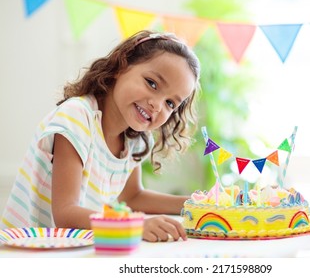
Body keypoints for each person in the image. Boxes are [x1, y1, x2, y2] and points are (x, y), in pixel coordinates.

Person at [0, 30, 201, 242]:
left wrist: (194, 205)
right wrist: (135, 225)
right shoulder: (77, 116)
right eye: (152, 83)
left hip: (73, 253)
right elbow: (65, 214)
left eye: (170, 103)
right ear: (121, 66)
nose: (157, 105)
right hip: (27, 252)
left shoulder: (135, 140)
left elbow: (132, 197)